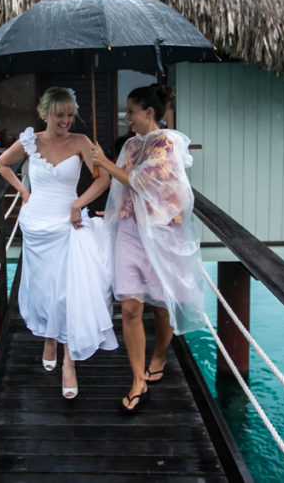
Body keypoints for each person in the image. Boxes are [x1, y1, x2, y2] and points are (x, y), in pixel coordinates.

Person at [0, 87, 117, 399]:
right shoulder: (30, 141)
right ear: (45, 113)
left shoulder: (81, 142)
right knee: (43, 287)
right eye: (59, 114)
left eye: (69, 114)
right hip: (36, 224)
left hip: (67, 225)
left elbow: (103, 179)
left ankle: (68, 360)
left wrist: (78, 204)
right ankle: (49, 337)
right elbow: (2, 164)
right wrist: (23, 190)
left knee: (67, 292)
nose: (65, 120)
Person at [91, 83, 203, 413]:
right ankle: (137, 379)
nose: (127, 118)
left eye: (131, 112)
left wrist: (107, 164)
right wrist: (110, 211)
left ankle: (159, 354)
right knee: (129, 306)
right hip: (129, 232)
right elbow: (122, 187)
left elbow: (143, 180)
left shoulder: (167, 144)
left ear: (149, 113)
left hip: (160, 234)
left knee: (162, 303)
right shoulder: (130, 145)